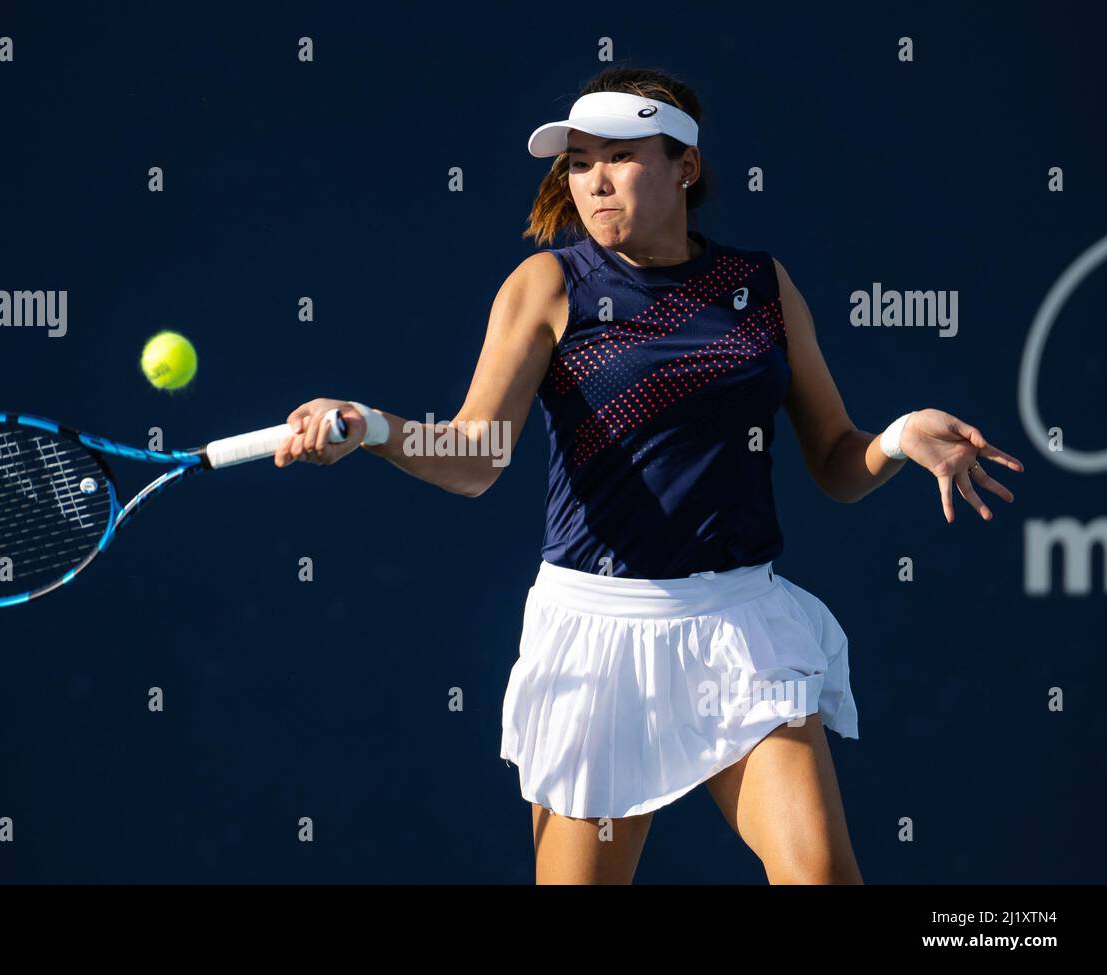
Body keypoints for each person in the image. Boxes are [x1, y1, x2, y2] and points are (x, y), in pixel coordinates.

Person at [272, 65, 1024, 885]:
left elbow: (837, 461)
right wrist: (373, 428)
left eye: (619, 157)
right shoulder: (548, 285)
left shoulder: (762, 288)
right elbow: (476, 458)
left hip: (741, 627)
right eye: (579, 161)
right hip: (597, 639)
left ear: (684, 168)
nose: (593, 181)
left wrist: (898, 438)